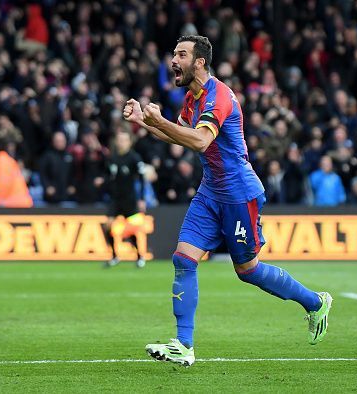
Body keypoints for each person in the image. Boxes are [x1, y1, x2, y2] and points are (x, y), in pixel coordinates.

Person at [123, 35, 332, 366]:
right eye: (173, 53)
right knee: (183, 259)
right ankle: (184, 344)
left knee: (247, 270)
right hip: (210, 192)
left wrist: (157, 120)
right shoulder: (192, 99)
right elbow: (178, 136)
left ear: (200, 62)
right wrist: (144, 122)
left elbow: (202, 141)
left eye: (181, 54)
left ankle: (315, 303)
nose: (173, 61)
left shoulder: (218, 97)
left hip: (238, 195)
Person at [103, 130, 147, 268]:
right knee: (107, 226)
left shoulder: (134, 158)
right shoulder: (113, 158)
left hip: (129, 199)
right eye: (119, 140)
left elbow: (142, 178)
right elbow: (109, 177)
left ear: (129, 142)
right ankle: (115, 256)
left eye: (124, 140)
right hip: (115, 199)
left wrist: (141, 198)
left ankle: (140, 256)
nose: (121, 142)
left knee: (131, 230)